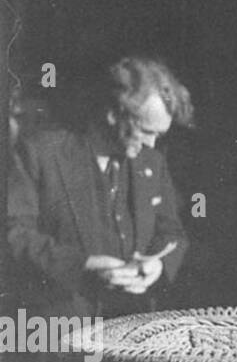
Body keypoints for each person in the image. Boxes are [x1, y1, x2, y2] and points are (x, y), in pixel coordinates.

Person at [7, 56, 191, 319]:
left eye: (159, 135)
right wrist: (84, 266)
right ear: (113, 114)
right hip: (59, 330)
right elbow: (14, 235)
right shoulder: (40, 153)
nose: (152, 144)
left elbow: (172, 232)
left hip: (130, 328)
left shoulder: (153, 161)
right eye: (145, 131)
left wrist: (158, 265)